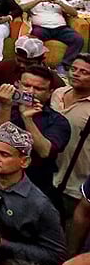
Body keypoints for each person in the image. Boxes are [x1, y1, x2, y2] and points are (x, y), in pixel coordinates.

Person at [0, 123, 66, 265]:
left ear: (24, 161)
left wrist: (2, 244)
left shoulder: (39, 205)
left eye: (4, 154)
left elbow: (56, 255)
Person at [0, 67, 71, 202]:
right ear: (17, 84)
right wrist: (5, 107)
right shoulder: (0, 108)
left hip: (34, 187)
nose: (30, 92)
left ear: (49, 93)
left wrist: (27, 119)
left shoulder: (57, 121)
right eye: (26, 85)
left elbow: (44, 151)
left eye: (38, 89)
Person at [20, 0, 84, 73]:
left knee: (78, 39)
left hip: (61, 28)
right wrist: (39, 0)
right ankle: (37, 65)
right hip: (41, 28)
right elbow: (22, 8)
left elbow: (74, 13)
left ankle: (64, 65)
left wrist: (60, 3)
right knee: (34, 39)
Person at [53, 55, 90, 221]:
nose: (76, 74)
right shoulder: (58, 94)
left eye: (84, 72)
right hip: (48, 175)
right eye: (73, 69)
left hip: (75, 186)